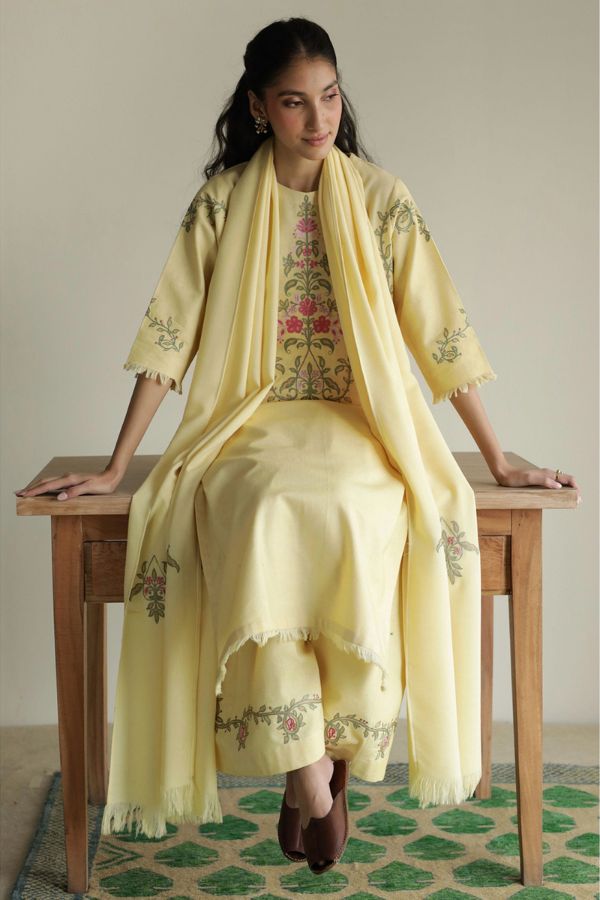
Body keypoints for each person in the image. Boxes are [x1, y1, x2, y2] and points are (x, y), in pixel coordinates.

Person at [15, 16, 581, 877]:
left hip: (361, 421)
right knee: (259, 506)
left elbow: (440, 335)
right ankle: (313, 773)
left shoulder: (383, 200)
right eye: (294, 102)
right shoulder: (220, 203)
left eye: (329, 96)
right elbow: (169, 341)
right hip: (248, 421)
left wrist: (499, 462)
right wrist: (116, 464)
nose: (319, 120)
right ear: (258, 109)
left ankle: (315, 759)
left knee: (358, 505)